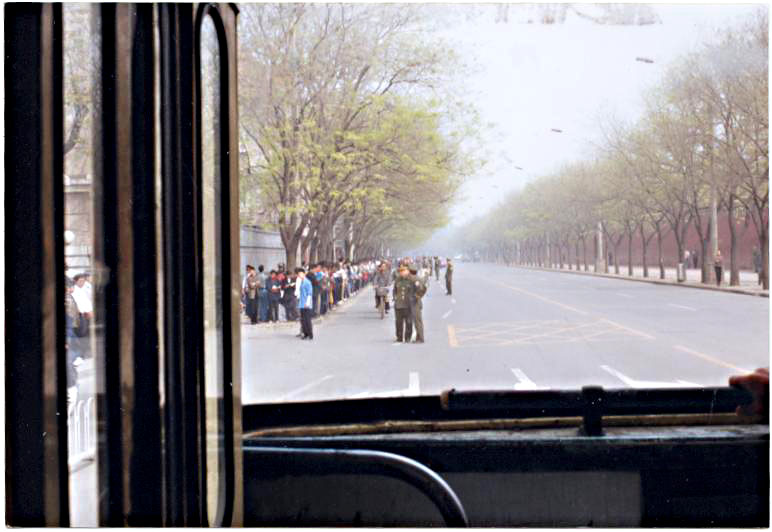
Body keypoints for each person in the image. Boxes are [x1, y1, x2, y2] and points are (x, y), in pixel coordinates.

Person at [392, 264, 414, 343]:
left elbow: (417, 289)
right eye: (400, 271)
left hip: (408, 305)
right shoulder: (397, 280)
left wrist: (415, 298)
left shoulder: (411, 280)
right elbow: (394, 290)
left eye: (403, 271)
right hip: (398, 305)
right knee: (398, 322)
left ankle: (408, 337)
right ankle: (399, 337)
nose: (401, 272)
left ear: (407, 271)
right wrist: (394, 297)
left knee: (409, 322)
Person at [409, 265, 427, 343]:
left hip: (415, 303)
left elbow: (422, 289)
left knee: (417, 321)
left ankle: (420, 338)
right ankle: (418, 337)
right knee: (417, 321)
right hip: (414, 302)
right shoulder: (416, 278)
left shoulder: (415, 279)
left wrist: (417, 296)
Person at [296, 267, 314, 340]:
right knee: (303, 320)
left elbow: (309, 293)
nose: (299, 275)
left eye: (301, 273)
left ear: (304, 274)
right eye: (299, 274)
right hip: (302, 303)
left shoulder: (307, 282)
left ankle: (310, 334)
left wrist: (307, 302)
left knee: (307, 320)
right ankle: (305, 333)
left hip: (306, 303)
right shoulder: (301, 282)